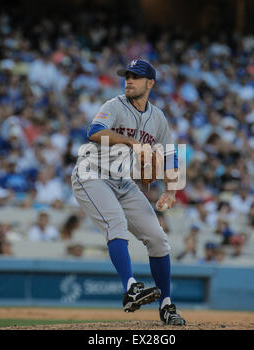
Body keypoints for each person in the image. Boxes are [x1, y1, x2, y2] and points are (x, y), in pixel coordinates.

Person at [71, 59, 185, 325]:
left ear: (150, 83)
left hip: (123, 181)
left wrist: (171, 188)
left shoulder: (158, 118)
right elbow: (94, 132)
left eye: (136, 76)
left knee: (158, 238)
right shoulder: (114, 105)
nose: (129, 80)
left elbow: (169, 154)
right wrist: (131, 141)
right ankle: (131, 287)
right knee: (116, 223)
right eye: (127, 75)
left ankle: (166, 305)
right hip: (92, 174)